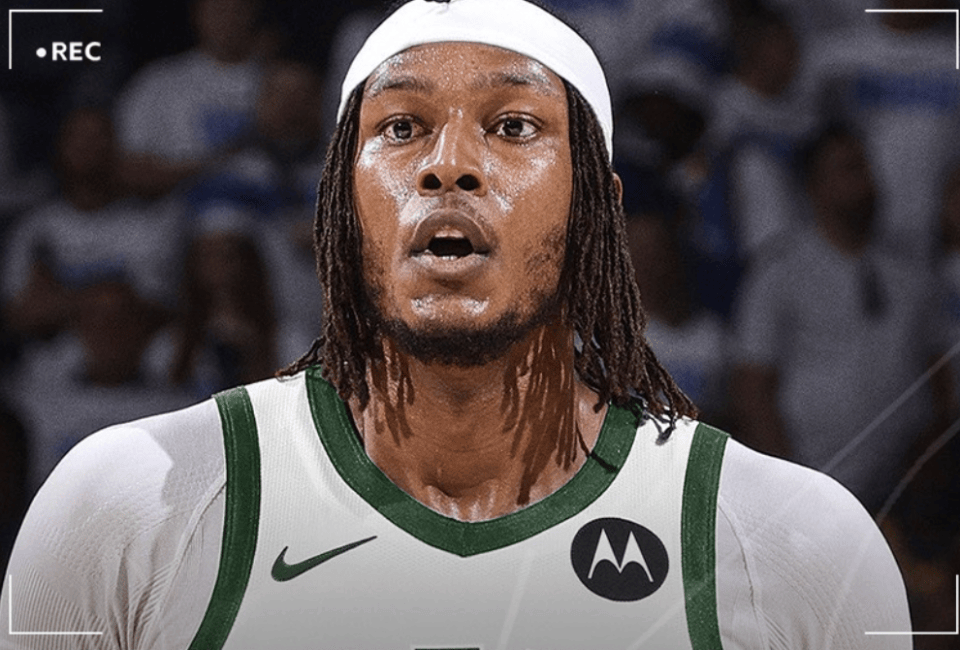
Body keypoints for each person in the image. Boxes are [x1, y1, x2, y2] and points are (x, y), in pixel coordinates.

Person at [1, 1, 910, 649]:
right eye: (401, 128)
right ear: (338, 207)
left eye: (512, 126)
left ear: (599, 210)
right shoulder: (126, 508)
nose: (449, 165)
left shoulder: (793, 544)